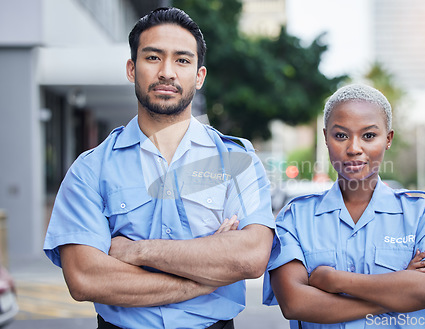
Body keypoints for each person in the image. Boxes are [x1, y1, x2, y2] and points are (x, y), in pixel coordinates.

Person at [43, 7, 275, 329]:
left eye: (182, 60)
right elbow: (85, 277)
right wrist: (204, 280)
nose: (167, 72)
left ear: (199, 75)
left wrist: (134, 252)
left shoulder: (237, 160)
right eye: (153, 58)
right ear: (131, 68)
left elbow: (250, 258)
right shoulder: (90, 169)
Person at [263, 84, 425, 328]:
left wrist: (334, 280)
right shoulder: (295, 218)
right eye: (341, 135)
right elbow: (295, 304)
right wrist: (400, 292)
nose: (354, 148)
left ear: (388, 139)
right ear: (325, 138)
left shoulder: (423, 213)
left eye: (368, 135)